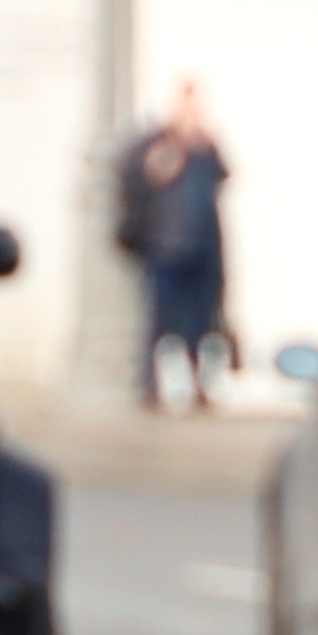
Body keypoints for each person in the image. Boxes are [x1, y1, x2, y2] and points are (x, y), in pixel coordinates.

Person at [118, 81, 231, 408]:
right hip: (165, 247)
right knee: (158, 320)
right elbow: (140, 177)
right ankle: (149, 386)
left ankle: (198, 385)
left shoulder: (205, 147)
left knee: (200, 321)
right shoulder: (156, 143)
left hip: (201, 248)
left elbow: (224, 175)